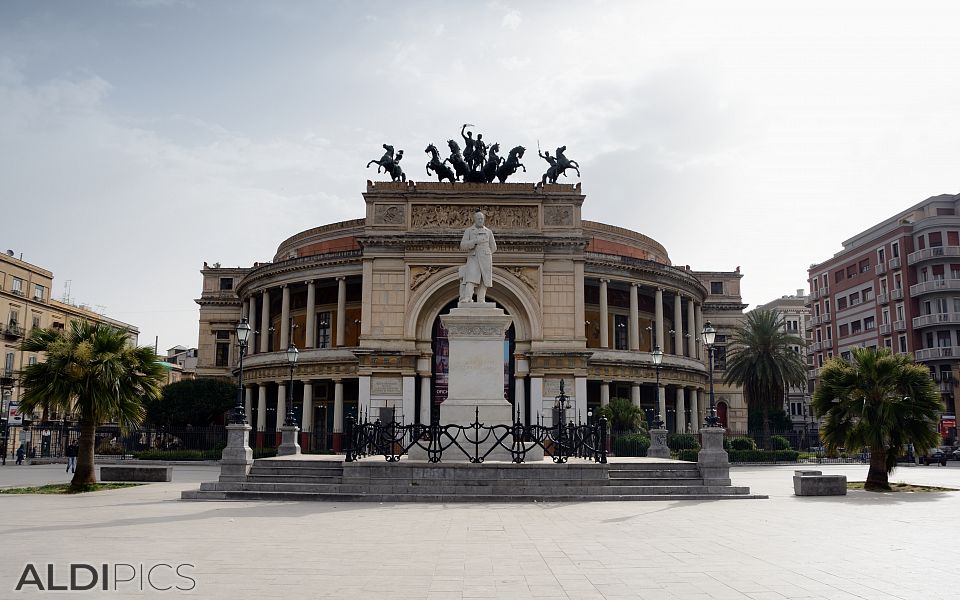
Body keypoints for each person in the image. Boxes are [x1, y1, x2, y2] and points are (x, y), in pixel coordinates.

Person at [459, 210, 497, 303]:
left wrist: (486, 253)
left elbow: (493, 247)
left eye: (482, 219)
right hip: (473, 257)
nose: (480, 220)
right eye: (478, 219)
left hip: (485, 258)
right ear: (475, 219)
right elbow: (462, 245)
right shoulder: (469, 231)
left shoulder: (488, 232)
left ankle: (481, 299)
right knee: (470, 277)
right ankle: (468, 297)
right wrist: (474, 241)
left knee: (484, 279)